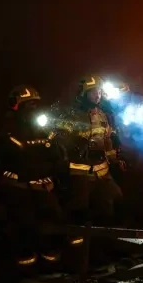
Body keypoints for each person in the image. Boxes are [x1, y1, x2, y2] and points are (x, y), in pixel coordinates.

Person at [0, 85, 68, 267]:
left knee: (55, 218)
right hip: (18, 188)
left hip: (42, 187)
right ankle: (23, 265)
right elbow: (0, 159)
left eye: (35, 104)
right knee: (24, 224)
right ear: (17, 105)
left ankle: (51, 259)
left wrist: (54, 177)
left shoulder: (43, 129)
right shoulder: (7, 130)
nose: (34, 108)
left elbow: (56, 157)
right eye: (29, 104)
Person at [55, 75, 125, 225]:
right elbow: (60, 140)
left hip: (101, 171)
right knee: (78, 209)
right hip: (80, 170)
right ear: (83, 94)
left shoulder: (103, 115)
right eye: (93, 91)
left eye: (99, 91)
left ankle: (102, 237)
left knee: (114, 199)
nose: (97, 95)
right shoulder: (72, 114)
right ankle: (73, 236)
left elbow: (107, 142)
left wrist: (115, 160)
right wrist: (75, 144)